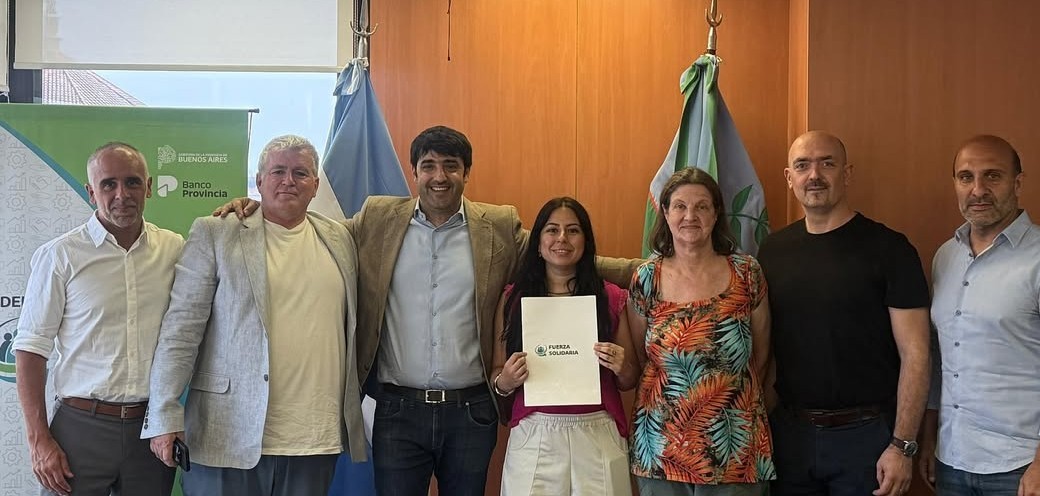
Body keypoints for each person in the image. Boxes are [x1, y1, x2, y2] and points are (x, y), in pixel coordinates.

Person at [216, 125, 639, 495]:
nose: (440, 176)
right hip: (398, 411)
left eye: (451, 166)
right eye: (429, 165)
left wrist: (651, 268)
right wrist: (261, 209)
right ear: (414, 171)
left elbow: (560, 253)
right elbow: (314, 234)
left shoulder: (497, 225)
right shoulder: (378, 218)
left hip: (471, 411)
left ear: (466, 173)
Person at [141, 135, 366, 496]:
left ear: (315, 186)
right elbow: (180, 331)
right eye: (278, 171)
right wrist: (164, 414)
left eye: (300, 173)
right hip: (228, 435)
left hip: (314, 440)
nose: (288, 181)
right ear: (259, 181)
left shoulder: (340, 238)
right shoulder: (217, 232)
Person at [757, 131, 931, 496]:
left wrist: (902, 446)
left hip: (867, 439)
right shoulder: (772, 252)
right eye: (802, 166)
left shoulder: (891, 249)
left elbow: (916, 354)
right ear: (789, 178)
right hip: (791, 437)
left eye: (827, 163)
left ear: (847, 173)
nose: (814, 175)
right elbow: (766, 351)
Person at [14, 142, 182, 496]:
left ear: (149, 187)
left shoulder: (174, 249)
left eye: (132, 182)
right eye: (108, 184)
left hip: (151, 429)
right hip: (79, 428)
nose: (122, 194)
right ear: (91, 192)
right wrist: (38, 439)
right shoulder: (60, 255)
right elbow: (30, 350)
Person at [627, 168, 774, 495]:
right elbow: (641, 359)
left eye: (701, 206)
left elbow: (762, 356)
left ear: (716, 213)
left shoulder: (746, 273)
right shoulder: (646, 278)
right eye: (680, 206)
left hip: (735, 448)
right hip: (661, 450)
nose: (690, 216)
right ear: (665, 213)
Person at [492, 197, 639, 496]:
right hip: (535, 430)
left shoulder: (610, 297)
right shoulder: (513, 299)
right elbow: (497, 372)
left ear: (586, 241)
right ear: (538, 242)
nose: (562, 238)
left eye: (573, 230)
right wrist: (505, 381)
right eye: (552, 230)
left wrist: (621, 365)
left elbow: (629, 379)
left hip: (598, 429)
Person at [920, 135, 1040, 496]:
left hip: (1019, 465)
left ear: (1017, 182)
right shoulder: (945, 257)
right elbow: (941, 358)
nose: (978, 190)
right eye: (966, 177)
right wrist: (929, 440)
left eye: (993, 176)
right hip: (951, 458)